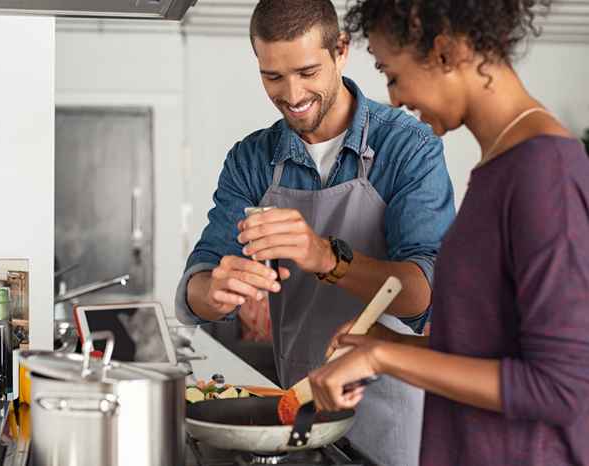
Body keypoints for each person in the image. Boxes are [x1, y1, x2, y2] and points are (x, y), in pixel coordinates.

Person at [175, 0, 456, 464]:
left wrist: (326, 257)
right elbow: (194, 288)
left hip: (397, 424)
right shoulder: (251, 160)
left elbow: (424, 293)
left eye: (307, 71)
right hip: (303, 417)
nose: (292, 93)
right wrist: (216, 289)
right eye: (273, 77)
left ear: (341, 50)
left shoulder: (408, 147)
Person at [309, 1, 589, 465]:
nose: (393, 98)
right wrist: (392, 343)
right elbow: (491, 351)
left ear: (444, 52)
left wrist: (383, 360)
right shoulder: (501, 167)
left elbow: (561, 387)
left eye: (392, 74)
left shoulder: (545, 173)